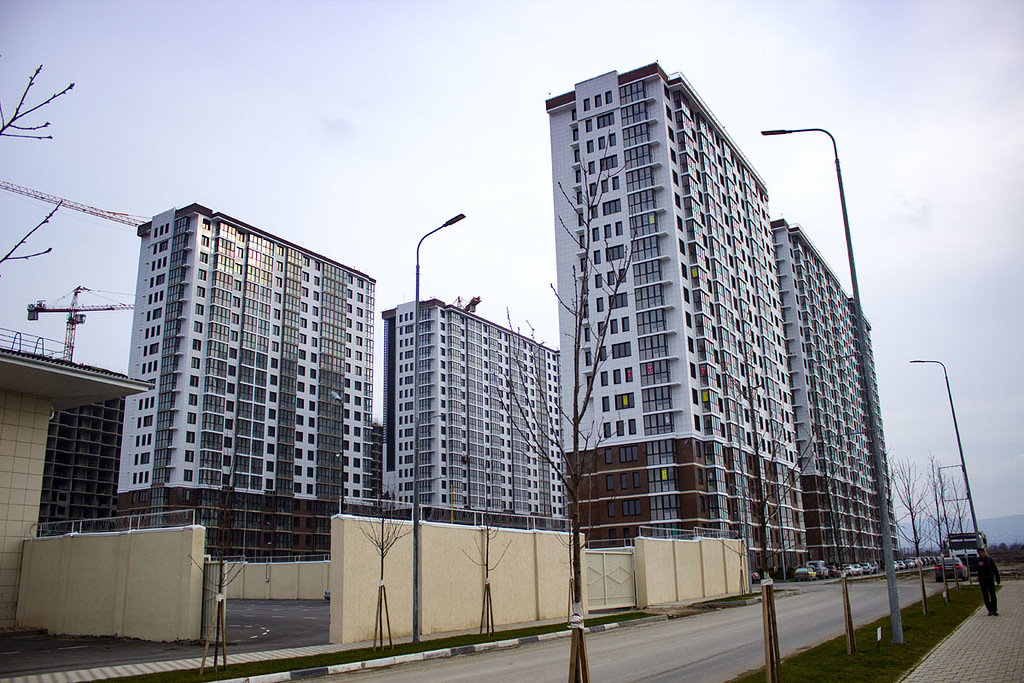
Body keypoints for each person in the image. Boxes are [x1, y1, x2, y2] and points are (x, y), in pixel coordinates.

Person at [976, 547, 1000, 616]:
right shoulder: (977, 560)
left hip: (990, 579)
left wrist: (997, 579)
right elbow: (973, 568)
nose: (980, 554)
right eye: (979, 553)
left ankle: (994, 610)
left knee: (993, 594)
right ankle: (990, 610)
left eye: (981, 552)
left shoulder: (989, 560)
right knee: (985, 595)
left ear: (984, 552)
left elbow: (995, 569)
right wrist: (978, 565)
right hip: (982, 580)